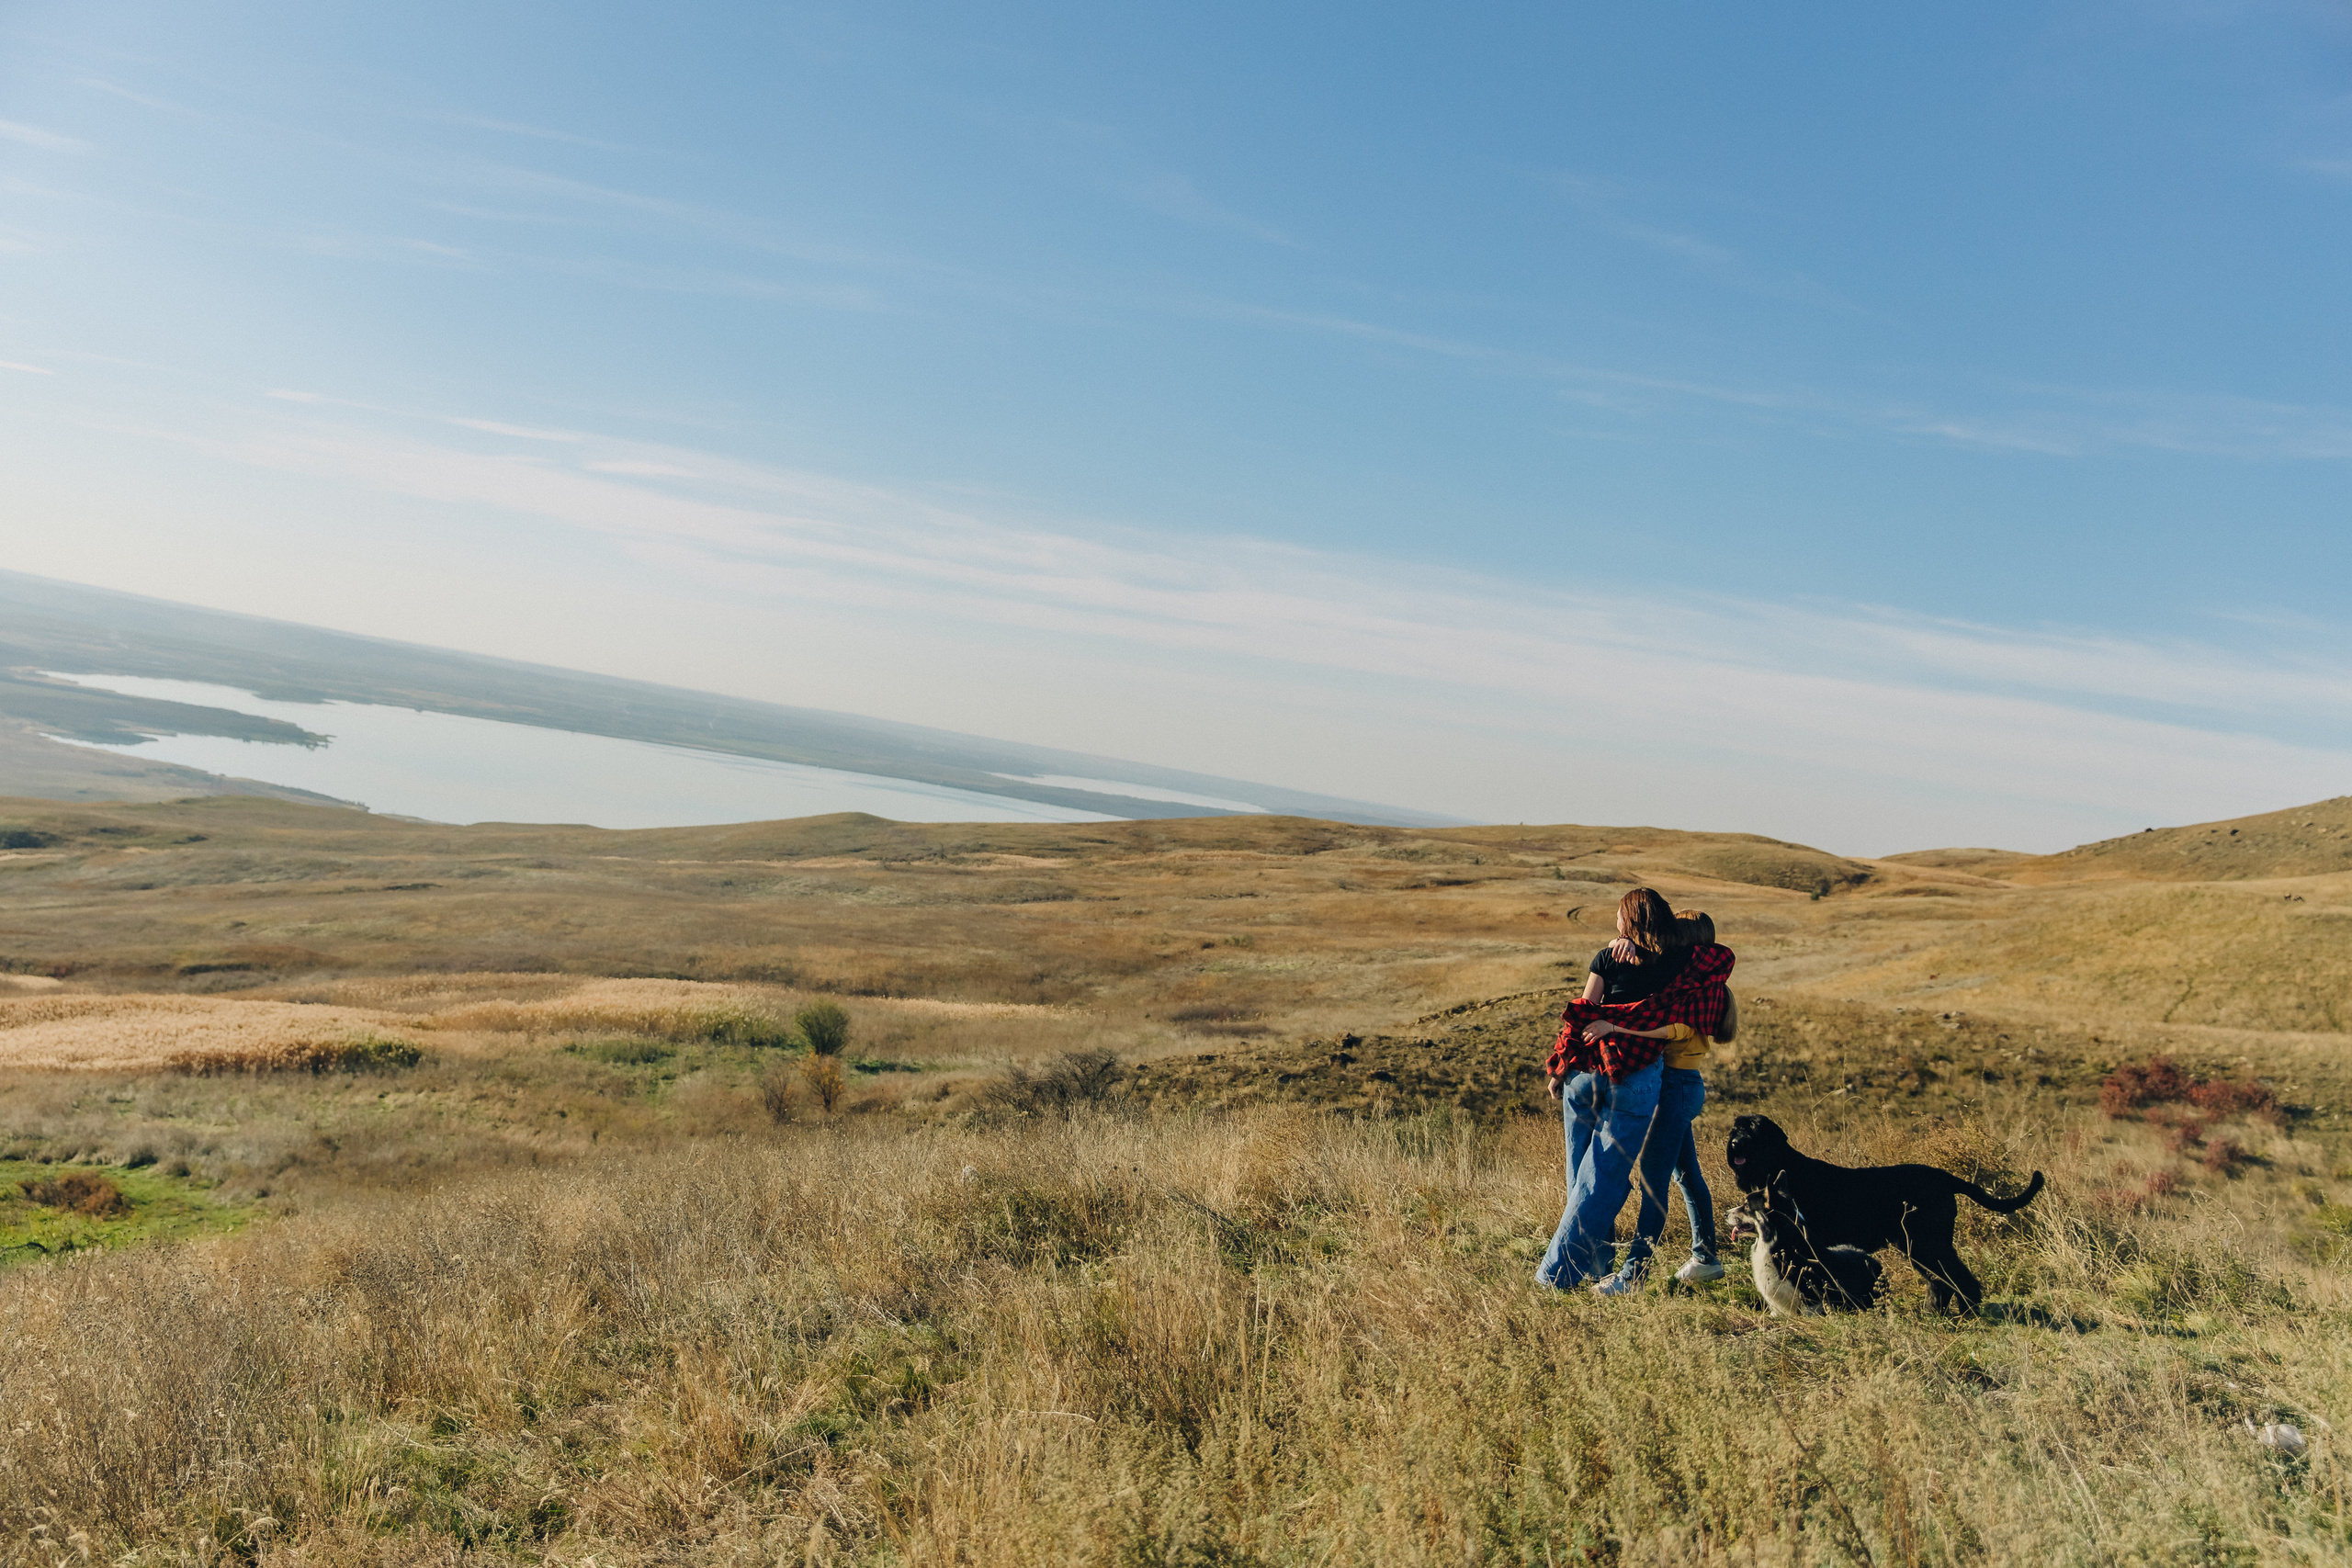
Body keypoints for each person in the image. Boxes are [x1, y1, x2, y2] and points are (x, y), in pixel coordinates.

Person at [1537, 888, 1727, 1291]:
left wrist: (1561, 1065)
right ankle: (1582, 1270)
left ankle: (1590, 1266)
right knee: (1607, 1176)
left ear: (1629, 921)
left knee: (1586, 1171)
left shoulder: (1610, 958)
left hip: (1590, 1068)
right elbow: (1722, 954)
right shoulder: (1683, 969)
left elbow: (1582, 1014)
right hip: (1642, 1078)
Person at [1587, 910, 1737, 1294]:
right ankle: (1707, 1259)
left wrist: (1616, 1026)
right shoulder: (1695, 981)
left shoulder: (1699, 988)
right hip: (1677, 1085)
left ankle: (1634, 1276)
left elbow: (1674, 1027)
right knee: (1685, 1174)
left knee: (1653, 1182)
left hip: (1676, 1086)